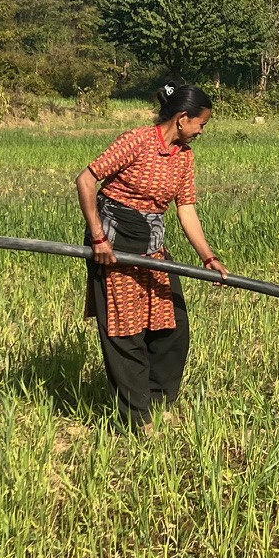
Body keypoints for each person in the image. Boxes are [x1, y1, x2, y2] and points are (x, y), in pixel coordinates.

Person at [75, 84, 226, 426]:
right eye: (201, 124)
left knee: (172, 328)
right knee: (125, 333)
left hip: (152, 247)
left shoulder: (184, 157)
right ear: (182, 119)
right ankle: (136, 419)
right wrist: (98, 238)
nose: (202, 131)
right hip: (113, 247)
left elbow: (186, 209)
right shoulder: (137, 141)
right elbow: (86, 181)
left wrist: (208, 257)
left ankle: (157, 403)